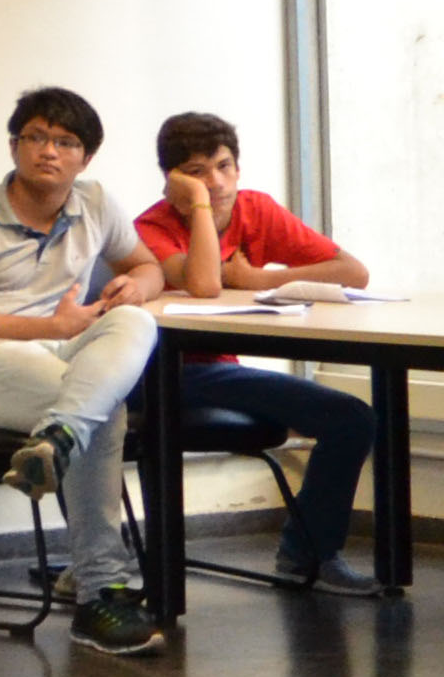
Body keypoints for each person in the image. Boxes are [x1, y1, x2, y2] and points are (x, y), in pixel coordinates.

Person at [0, 85, 169, 657]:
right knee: (101, 412)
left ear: (85, 158)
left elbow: (149, 265)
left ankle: (56, 439)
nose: (47, 151)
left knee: (137, 322)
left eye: (64, 141)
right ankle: (100, 590)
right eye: (34, 137)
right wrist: (49, 330)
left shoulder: (97, 203)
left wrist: (138, 284)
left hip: (62, 356)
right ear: (13, 146)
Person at [133, 110, 381, 593]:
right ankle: (306, 556)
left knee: (352, 418)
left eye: (225, 166)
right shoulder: (152, 227)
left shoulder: (256, 209)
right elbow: (204, 284)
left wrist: (263, 279)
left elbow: (353, 271)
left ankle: (305, 556)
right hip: (158, 375)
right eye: (199, 172)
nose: (218, 181)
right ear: (174, 180)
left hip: (219, 370)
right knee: (351, 417)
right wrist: (201, 207)